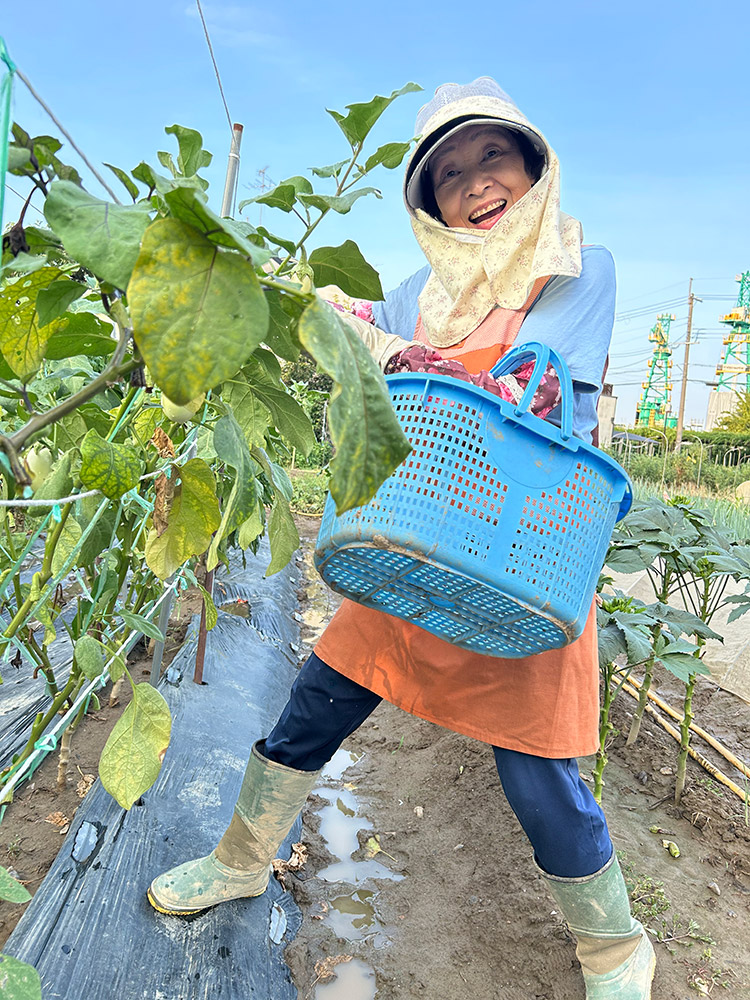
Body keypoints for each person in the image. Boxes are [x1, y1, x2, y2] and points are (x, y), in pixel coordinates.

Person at [148, 78, 656, 999]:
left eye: (491, 157)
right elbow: (359, 340)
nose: (475, 185)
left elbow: (531, 395)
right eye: (450, 174)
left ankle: (616, 950)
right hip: (417, 543)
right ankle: (241, 861)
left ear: (532, 165)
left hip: (518, 558)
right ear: (429, 202)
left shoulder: (579, 265)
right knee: (315, 703)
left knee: (542, 777)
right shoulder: (422, 287)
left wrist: (407, 356)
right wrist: (312, 309)